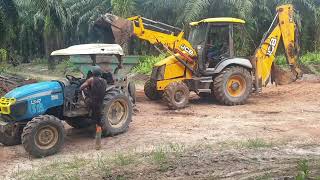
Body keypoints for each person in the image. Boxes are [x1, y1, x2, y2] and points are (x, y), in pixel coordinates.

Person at [80, 67, 107, 150]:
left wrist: (87, 89)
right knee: (98, 122)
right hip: (99, 103)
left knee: (81, 94)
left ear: (93, 73)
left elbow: (81, 87)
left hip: (91, 103)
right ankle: (98, 143)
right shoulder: (104, 81)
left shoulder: (91, 80)